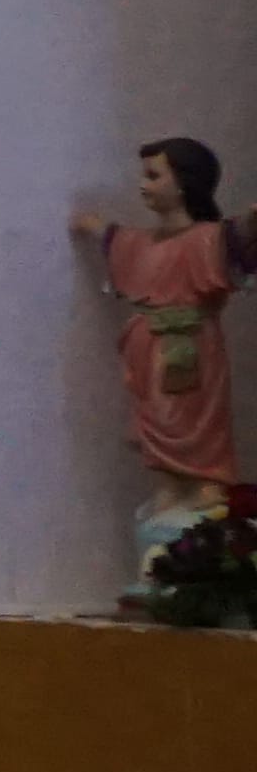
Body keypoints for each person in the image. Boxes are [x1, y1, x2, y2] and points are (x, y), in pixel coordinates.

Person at [77, 137, 248, 509]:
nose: (143, 184)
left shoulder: (206, 239)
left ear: (185, 182)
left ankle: (209, 478)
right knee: (158, 413)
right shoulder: (144, 241)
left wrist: (252, 223)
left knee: (198, 412)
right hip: (149, 346)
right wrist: (92, 226)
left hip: (193, 344)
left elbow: (236, 243)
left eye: (154, 176)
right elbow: (119, 241)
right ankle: (171, 479)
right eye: (144, 175)